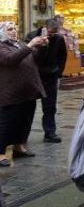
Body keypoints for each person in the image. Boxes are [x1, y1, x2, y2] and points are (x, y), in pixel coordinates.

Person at [0, 22, 48, 166]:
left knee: (25, 120)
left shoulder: (19, 44)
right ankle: (1, 152)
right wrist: (30, 45)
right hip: (10, 92)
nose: (14, 31)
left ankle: (19, 145)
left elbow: (35, 58)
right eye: (10, 29)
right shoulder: (2, 46)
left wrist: (42, 47)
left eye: (15, 29)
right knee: (7, 123)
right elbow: (10, 60)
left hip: (27, 90)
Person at [25, 19, 67, 143]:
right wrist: (42, 45)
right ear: (44, 28)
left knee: (50, 106)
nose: (52, 35)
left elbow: (62, 56)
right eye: (51, 32)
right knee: (28, 107)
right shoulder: (32, 36)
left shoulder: (59, 39)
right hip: (34, 75)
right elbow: (27, 55)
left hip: (50, 75)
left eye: (55, 32)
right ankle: (22, 137)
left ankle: (50, 133)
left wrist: (58, 71)